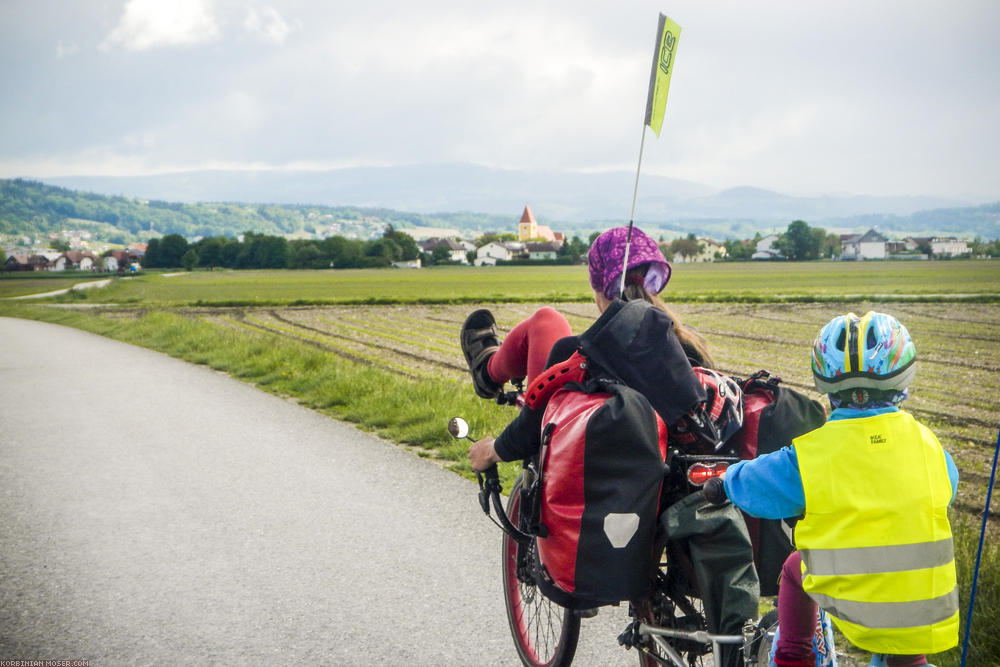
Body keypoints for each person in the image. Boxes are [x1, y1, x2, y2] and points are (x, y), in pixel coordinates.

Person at [722, 312, 960, 667]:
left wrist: (723, 481)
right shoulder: (930, 447)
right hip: (927, 603)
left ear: (827, 387)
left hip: (855, 597)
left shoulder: (811, 456)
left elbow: (752, 487)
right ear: (902, 382)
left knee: (794, 567)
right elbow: (947, 490)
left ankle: (794, 657)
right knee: (904, 646)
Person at [462, 225, 716, 470]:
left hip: (604, 483)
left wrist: (491, 450)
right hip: (677, 476)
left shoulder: (577, 353)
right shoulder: (689, 344)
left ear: (599, 285)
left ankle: (488, 371)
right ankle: (488, 369)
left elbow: (532, 431)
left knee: (547, 320)